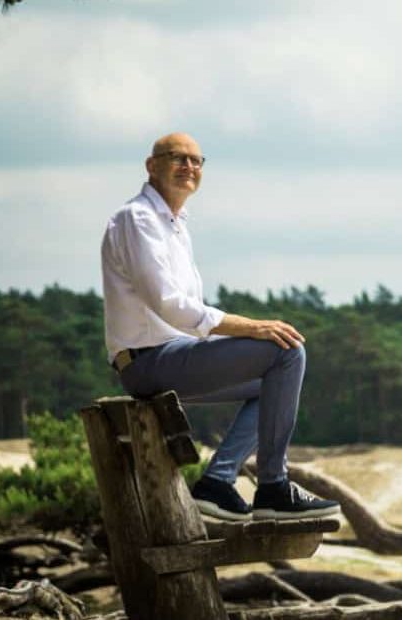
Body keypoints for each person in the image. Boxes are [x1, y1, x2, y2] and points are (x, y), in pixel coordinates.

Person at [100, 132, 339, 522]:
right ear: (151, 165)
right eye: (177, 158)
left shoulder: (175, 225)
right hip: (147, 361)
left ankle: (218, 482)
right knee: (286, 351)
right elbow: (169, 305)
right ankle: (274, 487)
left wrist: (241, 332)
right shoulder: (137, 219)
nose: (189, 167)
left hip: (170, 355)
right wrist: (249, 328)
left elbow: (184, 315)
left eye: (196, 161)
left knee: (278, 382)